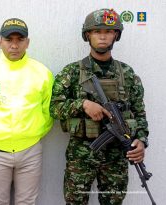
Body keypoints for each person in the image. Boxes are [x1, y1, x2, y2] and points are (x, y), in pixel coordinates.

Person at [50, 9, 149, 205]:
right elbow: (53, 107)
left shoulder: (127, 74)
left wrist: (142, 141)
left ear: (116, 35)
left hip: (117, 156)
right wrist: (83, 104)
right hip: (81, 156)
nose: (102, 36)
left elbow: (139, 112)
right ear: (87, 35)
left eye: (108, 31)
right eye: (96, 31)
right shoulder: (72, 72)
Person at [0, 18, 54, 205]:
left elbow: (48, 111)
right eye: (9, 40)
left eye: (20, 40)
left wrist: (32, 134)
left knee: (26, 202)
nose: (14, 46)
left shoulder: (42, 73)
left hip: (30, 149)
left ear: (28, 42)